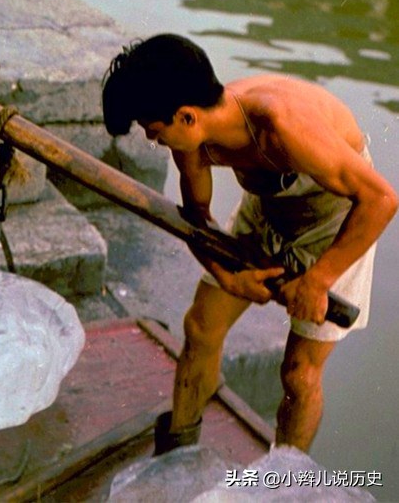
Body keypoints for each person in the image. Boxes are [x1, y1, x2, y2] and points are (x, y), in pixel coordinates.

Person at [102, 34, 397, 454]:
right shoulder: (193, 141)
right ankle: (177, 450)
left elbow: (381, 200)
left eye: (155, 133)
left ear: (186, 116)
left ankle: (284, 485)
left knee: (299, 373)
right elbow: (197, 218)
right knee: (201, 326)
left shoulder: (284, 124)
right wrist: (229, 276)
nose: (155, 143)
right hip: (267, 208)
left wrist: (318, 280)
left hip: (336, 223)